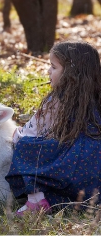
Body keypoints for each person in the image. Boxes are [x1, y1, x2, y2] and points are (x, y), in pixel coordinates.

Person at [6, 41, 101, 216]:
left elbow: (35, 132)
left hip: (68, 166)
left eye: (53, 67)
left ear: (71, 73)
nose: (48, 71)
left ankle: (35, 201)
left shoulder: (58, 100)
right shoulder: (96, 98)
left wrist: (17, 136)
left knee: (26, 146)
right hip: (93, 176)